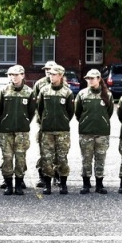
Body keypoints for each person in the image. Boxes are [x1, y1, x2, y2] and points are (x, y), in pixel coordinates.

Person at [0, 64, 35, 195]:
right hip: (6, 130)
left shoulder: (29, 92)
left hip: (22, 131)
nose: (14, 77)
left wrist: (24, 121)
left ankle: (19, 183)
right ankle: (8, 184)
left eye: (16, 75)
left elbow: (31, 112)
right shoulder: (4, 91)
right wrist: (6, 120)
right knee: (6, 158)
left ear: (22, 75)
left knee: (20, 158)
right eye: (11, 75)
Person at [74, 68, 114, 194]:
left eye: (92, 78)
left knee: (100, 158)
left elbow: (110, 112)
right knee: (86, 158)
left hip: (102, 132)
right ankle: (86, 184)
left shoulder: (107, 95)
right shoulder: (82, 94)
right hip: (86, 132)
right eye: (88, 78)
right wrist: (85, 122)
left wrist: (102, 121)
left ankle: (99, 184)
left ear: (98, 79)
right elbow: (77, 112)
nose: (90, 80)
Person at [35, 65, 74, 194]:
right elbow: (40, 110)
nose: (51, 76)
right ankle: (47, 185)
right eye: (50, 74)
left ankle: (63, 184)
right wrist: (45, 121)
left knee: (62, 158)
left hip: (62, 131)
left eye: (54, 74)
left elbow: (70, 112)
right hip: (47, 131)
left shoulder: (67, 92)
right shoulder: (44, 91)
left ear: (60, 76)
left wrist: (63, 120)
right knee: (47, 158)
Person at [31, 61, 58, 188]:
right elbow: (35, 103)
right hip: (42, 122)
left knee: (58, 151)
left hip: (58, 123)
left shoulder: (62, 83)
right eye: (46, 69)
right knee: (43, 150)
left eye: (50, 69)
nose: (48, 71)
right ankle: (42, 176)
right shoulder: (39, 83)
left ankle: (57, 176)